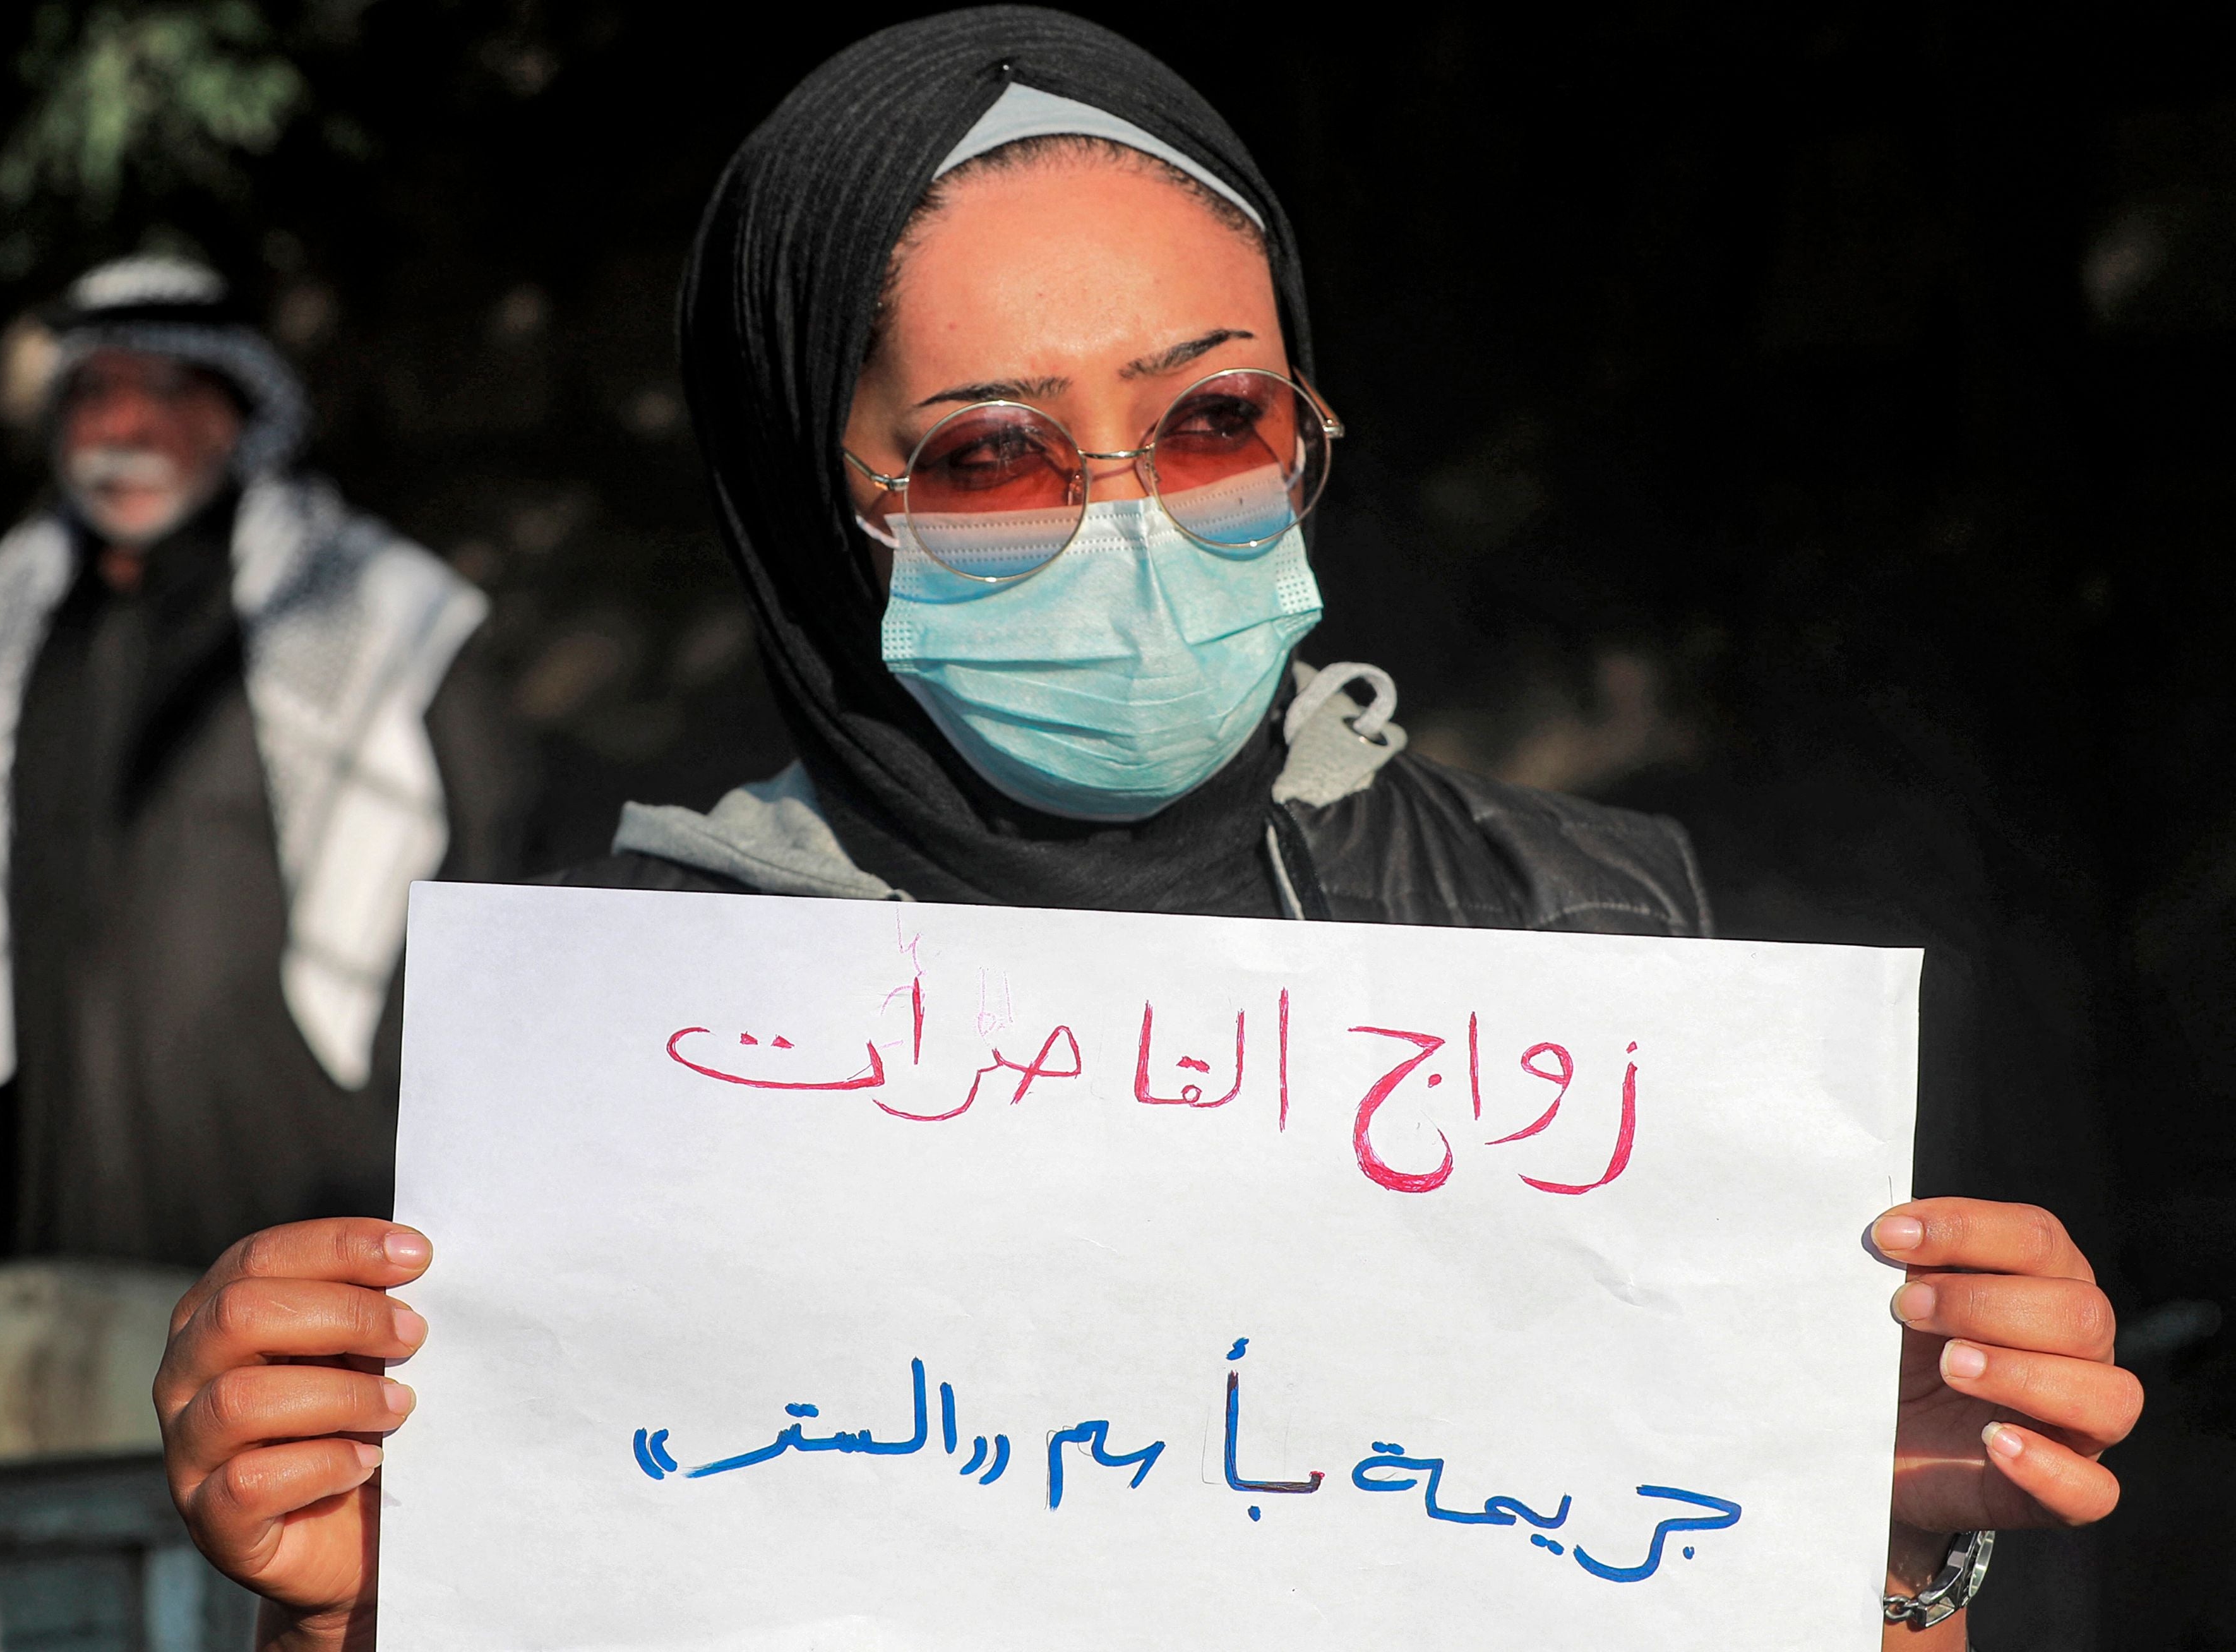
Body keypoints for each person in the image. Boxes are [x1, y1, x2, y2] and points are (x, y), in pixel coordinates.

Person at [146, 11, 2139, 1649]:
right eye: (990, 456)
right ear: (798, 500)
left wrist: (1872, 1544)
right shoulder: (598, 1058)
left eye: (1213, 423)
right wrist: (353, 1612)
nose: (1131, 524)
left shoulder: (1586, 951)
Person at [0, 254, 528, 1267]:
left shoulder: (387, 616)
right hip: (61, 1184)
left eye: (165, 393)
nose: (122, 430)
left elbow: (496, 887)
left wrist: (442, 1160)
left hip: (312, 1163)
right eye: (92, 395)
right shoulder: (8, 628)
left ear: (240, 414)